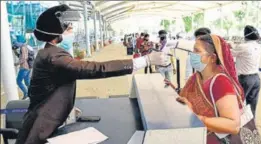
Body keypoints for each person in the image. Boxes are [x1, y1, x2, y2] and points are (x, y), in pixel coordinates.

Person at [15, 5, 169, 144]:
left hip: (49, 121)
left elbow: (47, 90)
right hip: (41, 131)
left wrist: (63, 107)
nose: (72, 31)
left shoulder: (47, 53)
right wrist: (145, 61)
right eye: (69, 28)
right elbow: (94, 68)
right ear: (57, 34)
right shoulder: (55, 57)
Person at [178, 34, 244, 144]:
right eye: (192, 50)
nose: (192, 54)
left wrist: (198, 119)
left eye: (196, 51)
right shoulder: (196, 78)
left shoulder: (220, 82)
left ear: (212, 58)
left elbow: (233, 125)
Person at [230, 25, 261, 117]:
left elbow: (230, 53)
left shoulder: (243, 47)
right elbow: (241, 51)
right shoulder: (258, 46)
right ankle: (251, 126)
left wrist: (227, 45)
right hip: (256, 79)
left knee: (238, 103)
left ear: (245, 35)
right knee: (252, 104)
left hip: (245, 79)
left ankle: (236, 125)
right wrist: (233, 45)